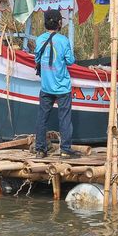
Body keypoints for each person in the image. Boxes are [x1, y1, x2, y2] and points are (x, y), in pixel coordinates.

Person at [34, 9, 82, 158]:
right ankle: (65, 149)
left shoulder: (39, 39)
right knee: (65, 118)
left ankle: (40, 150)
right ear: (59, 23)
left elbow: (36, 59)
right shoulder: (63, 40)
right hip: (62, 86)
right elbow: (70, 61)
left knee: (42, 118)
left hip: (46, 86)